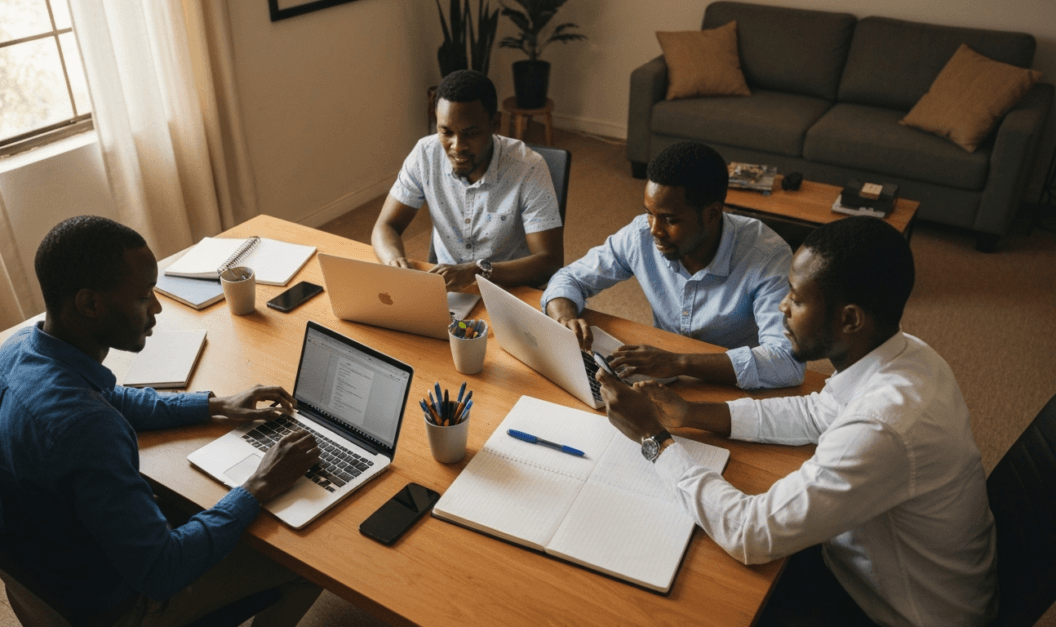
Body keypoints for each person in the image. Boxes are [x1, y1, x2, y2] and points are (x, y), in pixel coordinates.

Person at [596, 216, 997, 626]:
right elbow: (814, 412)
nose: (781, 307)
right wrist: (691, 413)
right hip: (869, 567)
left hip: (890, 611)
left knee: (683, 600)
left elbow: (751, 534)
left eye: (797, 298)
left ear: (850, 320)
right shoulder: (907, 352)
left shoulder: (884, 425)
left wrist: (653, 439)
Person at [0, 216, 324, 626]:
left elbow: (109, 398)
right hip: (118, 608)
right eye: (144, 296)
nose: (157, 308)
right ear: (90, 304)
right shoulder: (85, 429)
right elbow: (163, 570)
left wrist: (216, 405)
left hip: (53, 574)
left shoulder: (17, 350)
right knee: (307, 560)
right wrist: (259, 483)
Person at [541, 141, 804, 390]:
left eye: (669, 219)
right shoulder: (640, 235)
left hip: (735, 384)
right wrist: (564, 318)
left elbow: (786, 361)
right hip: (659, 378)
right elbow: (570, 279)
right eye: (649, 213)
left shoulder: (767, 255)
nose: (654, 230)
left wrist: (678, 362)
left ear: (712, 214)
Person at [371, 69, 564, 291]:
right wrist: (394, 262)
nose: (457, 146)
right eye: (446, 132)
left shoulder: (529, 167)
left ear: (495, 124)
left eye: (471, 133)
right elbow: (385, 226)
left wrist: (478, 271)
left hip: (510, 288)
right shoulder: (425, 153)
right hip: (447, 290)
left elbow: (549, 261)